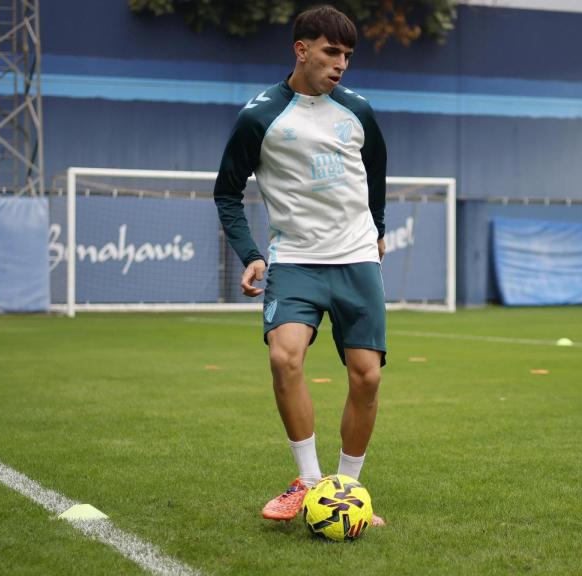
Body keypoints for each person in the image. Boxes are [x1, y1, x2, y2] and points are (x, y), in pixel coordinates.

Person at [213, 5, 389, 524]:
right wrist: (251, 254)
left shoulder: (359, 111)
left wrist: (376, 232)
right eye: (331, 52)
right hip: (295, 262)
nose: (341, 64)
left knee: (367, 378)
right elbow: (227, 193)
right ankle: (309, 482)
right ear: (302, 49)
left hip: (356, 259)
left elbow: (375, 178)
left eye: (347, 56)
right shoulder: (259, 116)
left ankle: (346, 491)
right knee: (284, 358)